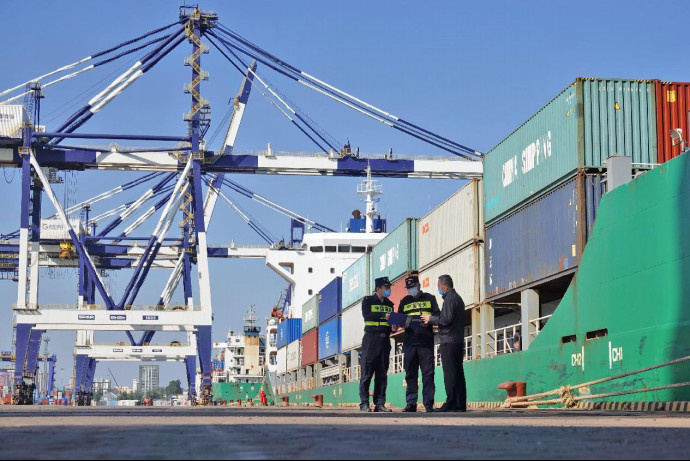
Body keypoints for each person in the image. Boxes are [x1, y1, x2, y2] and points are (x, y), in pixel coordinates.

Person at [421, 274, 466, 412]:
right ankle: (460, 404)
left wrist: (431, 318)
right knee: (458, 373)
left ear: (445, 286)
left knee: (450, 374)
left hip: (449, 341)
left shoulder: (450, 299)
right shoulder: (458, 298)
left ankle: (451, 403)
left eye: (439, 286)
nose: (438, 288)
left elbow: (446, 320)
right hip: (457, 341)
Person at [396, 275, 440, 413]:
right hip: (409, 343)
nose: (411, 290)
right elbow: (398, 320)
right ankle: (411, 403)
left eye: (413, 287)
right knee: (410, 374)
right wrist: (395, 322)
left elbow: (438, 316)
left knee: (428, 374)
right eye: (409, 288)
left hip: (425, 343)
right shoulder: (404, 301)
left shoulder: (430, 298)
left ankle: (428, 404)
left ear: (419, 285)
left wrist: (430, 320)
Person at [359, 276, 394, 412]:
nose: (389, 290)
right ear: (378, 289)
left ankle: (379, 403)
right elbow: (367, 316)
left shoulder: (390, 304)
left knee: (382, 374)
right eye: (386, 287)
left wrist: (394, 326)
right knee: (367, 373)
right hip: (371, 340)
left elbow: (390, 323)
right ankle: (364, 403)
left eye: (389, 287)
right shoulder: (367, 301)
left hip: (385, 340)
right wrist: (382, 315)